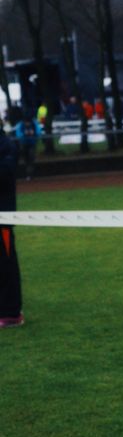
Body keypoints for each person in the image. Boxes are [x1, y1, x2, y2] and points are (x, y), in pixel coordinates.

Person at [0, 115, 24, 326]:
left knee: (6, 264)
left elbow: (6, 174)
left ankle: (11, 313)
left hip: (3, 219)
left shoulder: (6, 145)